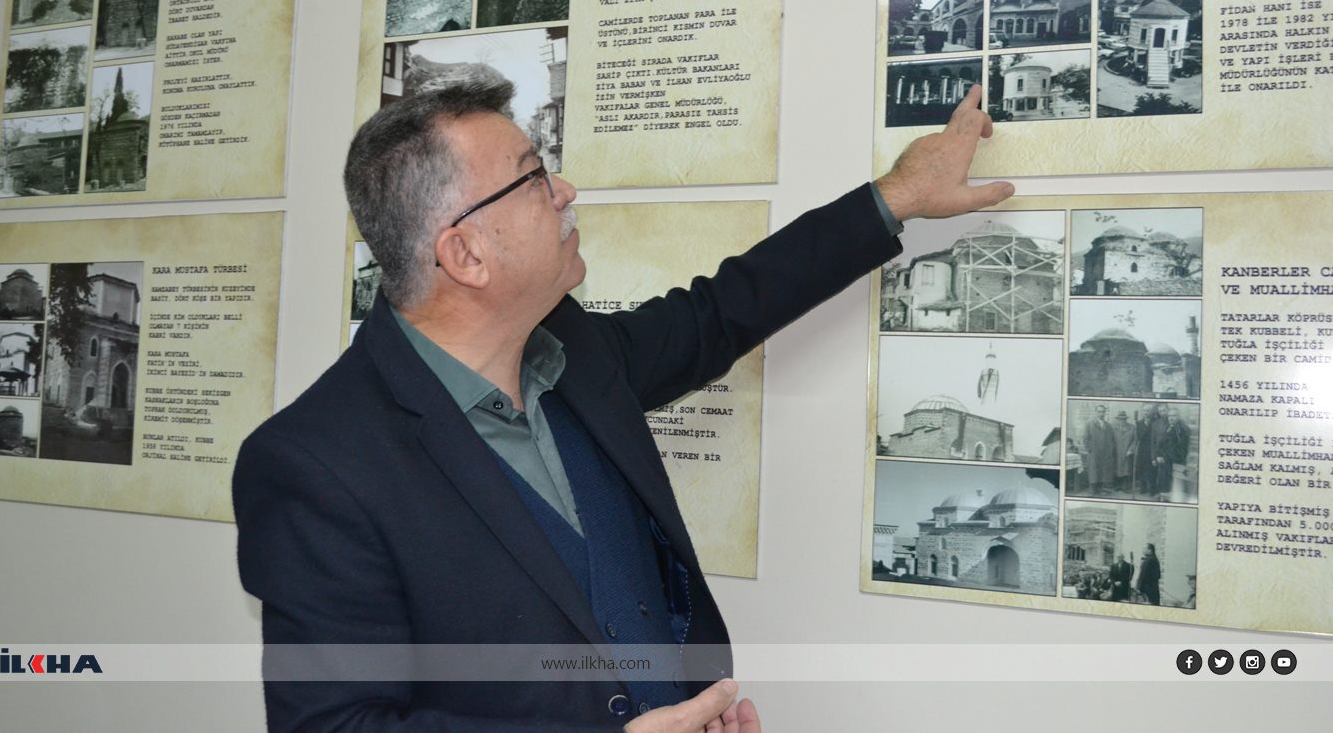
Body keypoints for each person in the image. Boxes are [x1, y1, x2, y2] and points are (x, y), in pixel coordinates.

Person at [233, 74, 1012, 732]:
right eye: (535, 176)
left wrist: (895, 197)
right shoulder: (316, 465)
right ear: (464, 252)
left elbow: (722, 312)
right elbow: (336, 725)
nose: (565, 191)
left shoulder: (576, 355)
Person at [1083, 404, 1115, 497]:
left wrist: (1110, 450)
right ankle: (1093, 489)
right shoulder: (1089, 424)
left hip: (1105, 452)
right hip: (1094, 451)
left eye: (1103, 411)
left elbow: (1112, 439)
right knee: (1093, 470)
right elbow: (1085, 438)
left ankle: (1102, 489)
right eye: (1099, 411)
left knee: (1104, 471)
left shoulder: (1108, 425)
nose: (1101, 414)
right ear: (1096, 412)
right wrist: (1089, 449)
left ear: (1105, 412)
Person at [1110, 409, 1133, 496]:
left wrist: (1131, 450)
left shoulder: (1132, 427)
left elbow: (1135, 441)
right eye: (1120, 419)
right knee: (1116, 469)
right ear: (1117, 419)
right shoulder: (1112, 428)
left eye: (1123, 419)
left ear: (1126, 419)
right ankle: (1117, 486)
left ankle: (1125, 487)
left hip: (1127, 452)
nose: (1122, 420)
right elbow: (1110, 439)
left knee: (1126, 469)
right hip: (1116, 452)